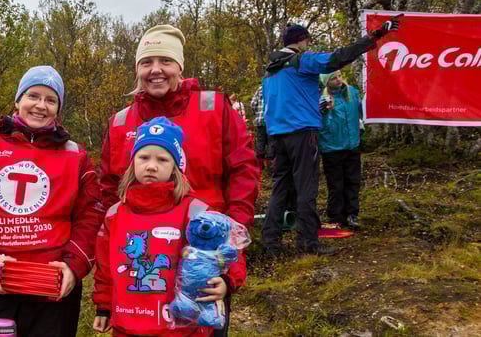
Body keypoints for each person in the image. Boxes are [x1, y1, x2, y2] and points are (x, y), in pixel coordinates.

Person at [100, 24, 257, 336]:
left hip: (203, 261)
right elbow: (108, 192)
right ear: (137, 69)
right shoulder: (120, 122)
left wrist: (230, 263)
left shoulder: (214, 108)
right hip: (143, 266)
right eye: (147, 62)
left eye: (165, 61)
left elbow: (244, 175)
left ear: (180, 67)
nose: (156, 70)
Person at [0, 66, 105, 337]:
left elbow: (91, 215)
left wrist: (74, 266)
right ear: (18, 100)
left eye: (50, 100)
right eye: (33, 96)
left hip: (51, 287)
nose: (40, 106)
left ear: (58, 108)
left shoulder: (76, 156)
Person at [261, 20, 394, 257]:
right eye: (307, 39)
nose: (309, 43)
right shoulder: (302, 61)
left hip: (278, 135)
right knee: (306, 188)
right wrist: (372, 38)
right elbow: (338, 58)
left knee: (280, 188)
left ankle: (270, 243)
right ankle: (307, 244)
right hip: (303, 133)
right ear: (302, 40)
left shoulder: (271, 69)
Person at [93, 117, 231, 336]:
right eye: (144, 157)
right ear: (133, 162)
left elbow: (224, 255)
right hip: (127, 325)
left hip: (181, 328)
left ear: (176, 166)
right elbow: (104, 268)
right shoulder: (114, 214)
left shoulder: (196, 212)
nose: (151, 166)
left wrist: (225, 282)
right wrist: (103, 306)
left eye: (163, 159)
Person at [318, 71, 362, 230]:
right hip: (332, 147)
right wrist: (322, 110)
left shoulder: (353, 93)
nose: (338, 80)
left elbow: (363, 112)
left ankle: (352, 214)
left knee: (353, 181)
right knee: (336, 184)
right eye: (333, 78)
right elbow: (316, 122)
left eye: (339, 76)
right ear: (326, 82)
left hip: (352, 145)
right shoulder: (322, 99)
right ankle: (336, 216)